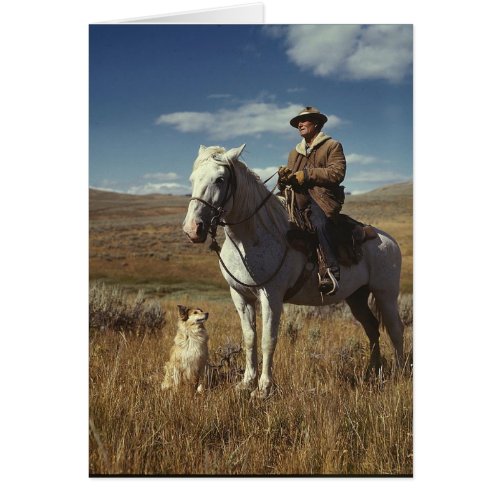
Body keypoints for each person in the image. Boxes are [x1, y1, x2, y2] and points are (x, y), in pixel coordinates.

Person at [279, 106, 346, 295]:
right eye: (298, 123)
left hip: (322, 199)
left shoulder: (332, 145)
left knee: (320, 224)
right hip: (297, 199)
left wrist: (307, 175)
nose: (299, 124)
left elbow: (337, 173)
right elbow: (290, 181)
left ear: (316, 123)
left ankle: (331, 271)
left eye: (304, 120)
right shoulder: (295, 152)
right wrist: (284, 179)